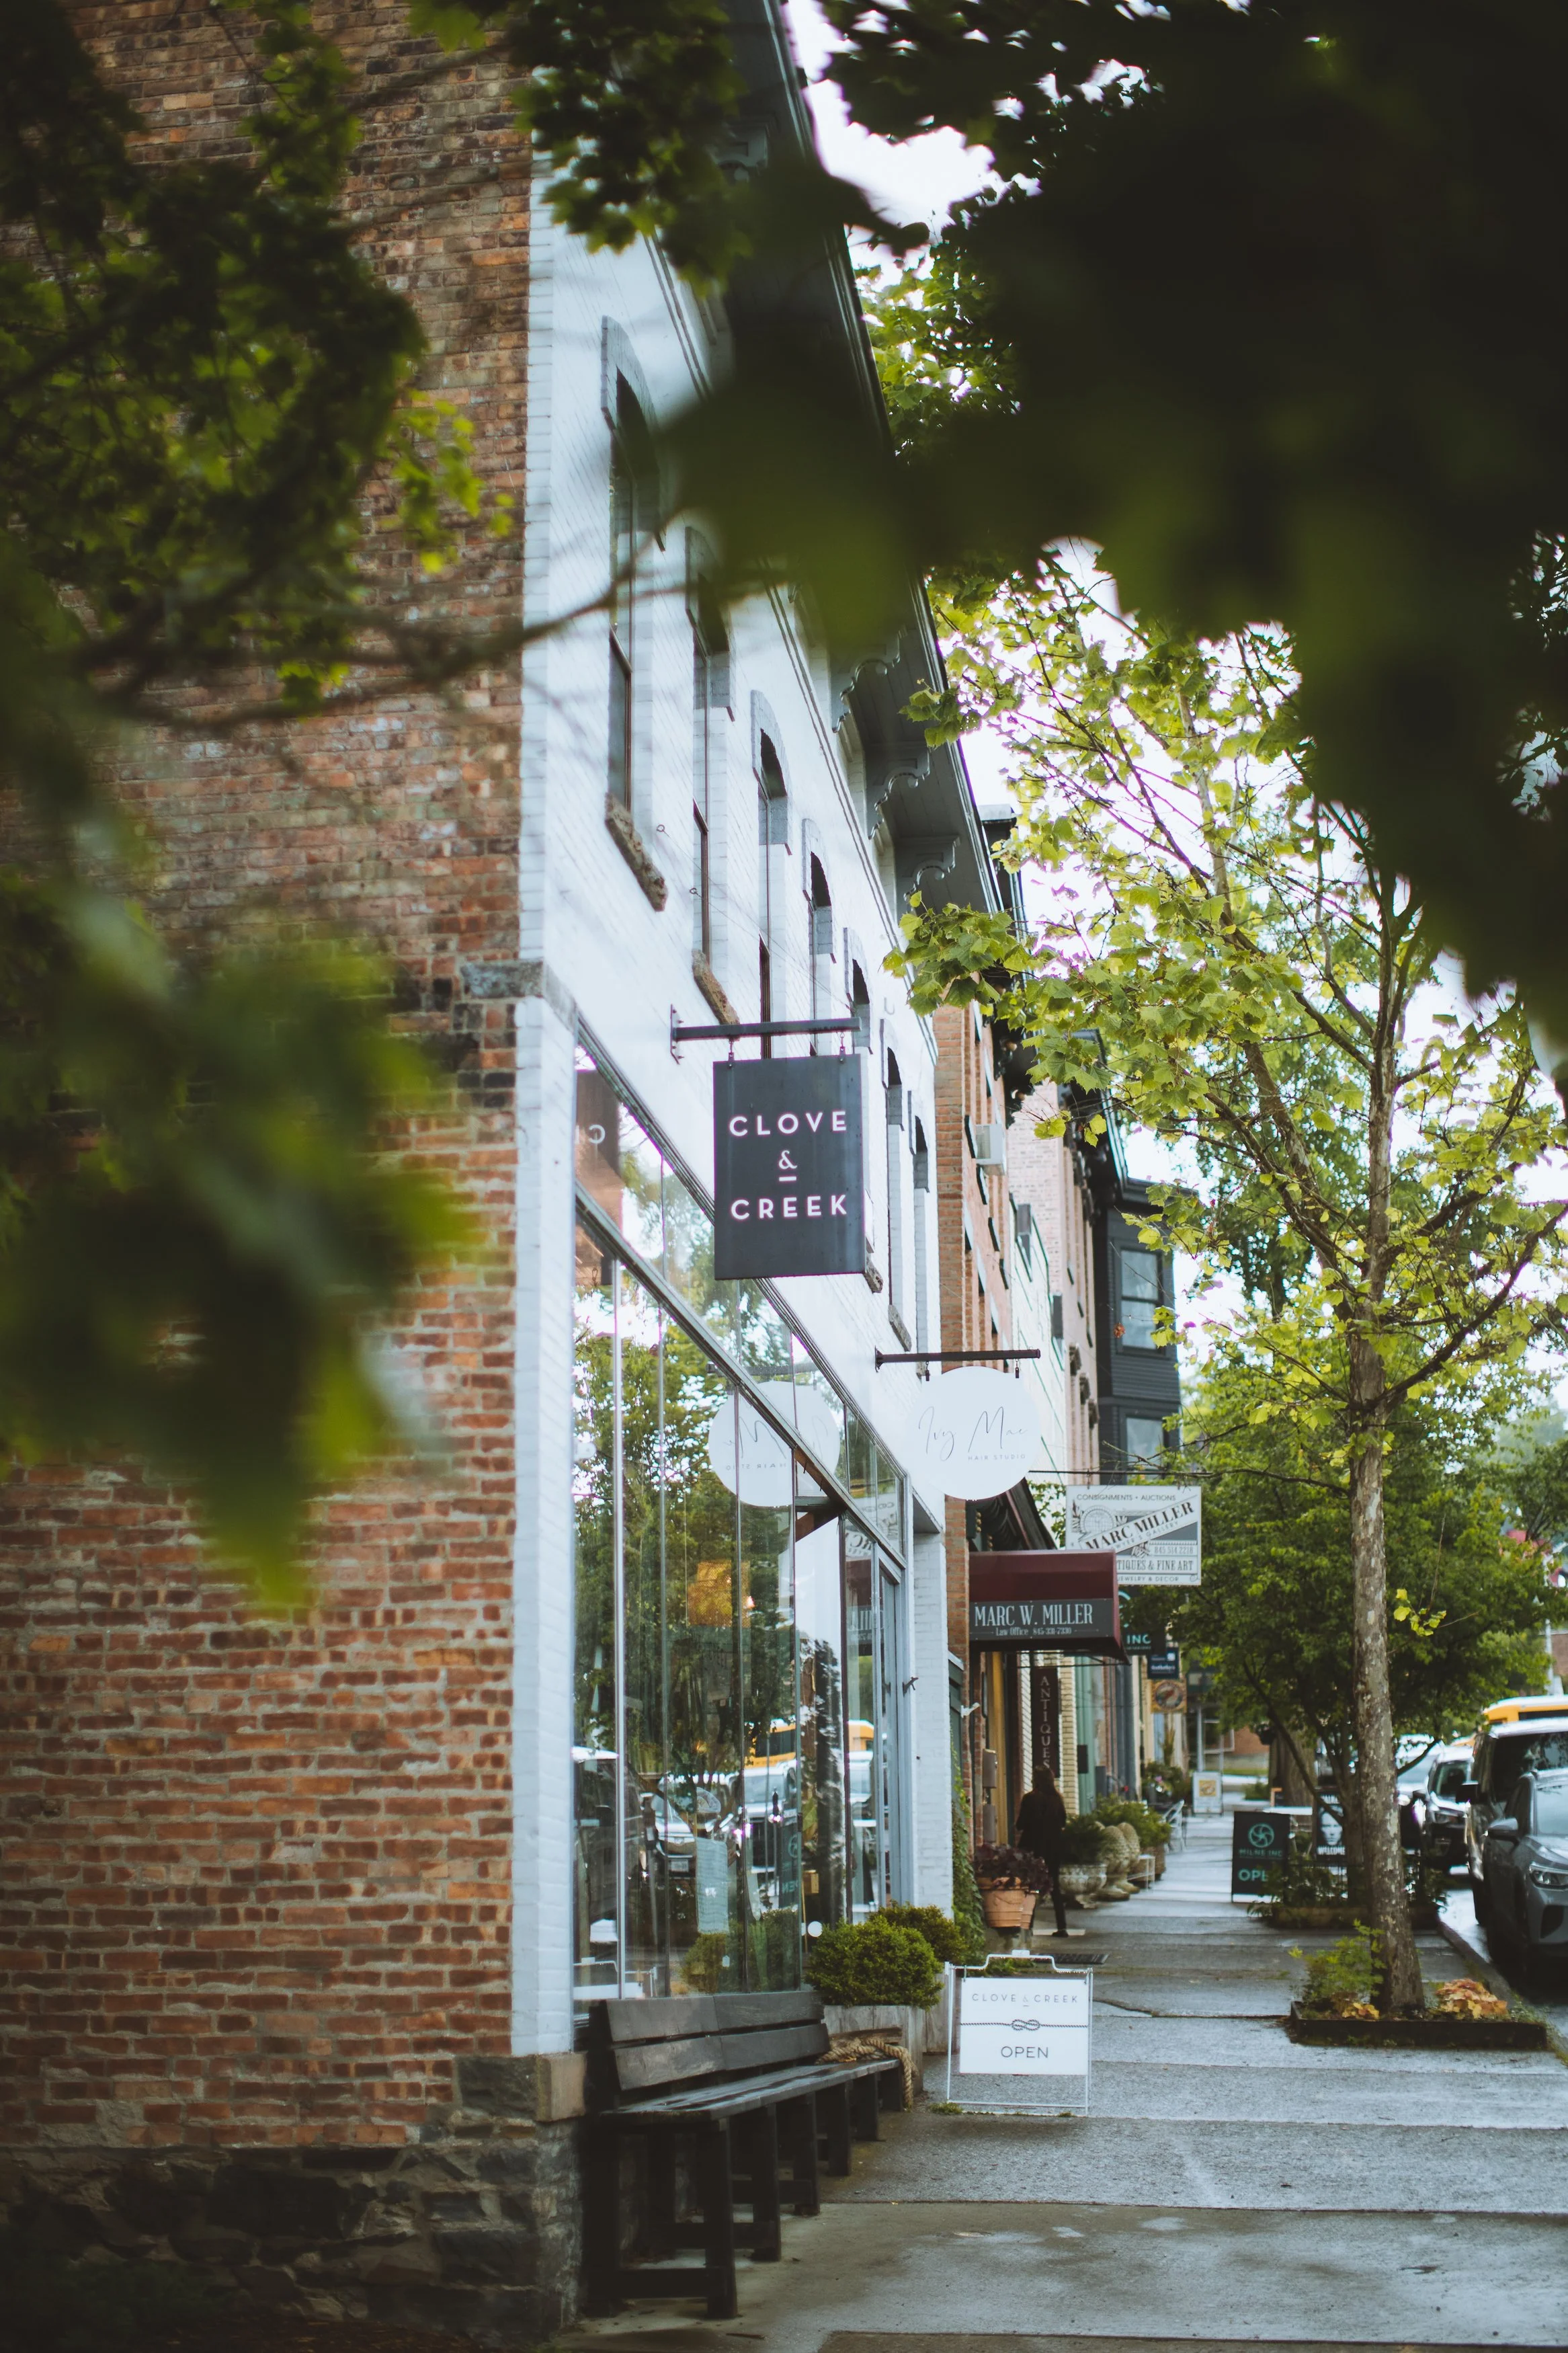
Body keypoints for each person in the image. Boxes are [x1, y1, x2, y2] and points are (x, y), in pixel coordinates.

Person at [1014, 1766, 1081, 1939]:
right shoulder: (1057, 1800)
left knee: (1030, 1887)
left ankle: (1028, 1927)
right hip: (1054, 1848)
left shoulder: (1030, 1799)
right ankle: (1062, 1927)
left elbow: (1020, 1824)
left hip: (1033, 1848)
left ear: (1035, 1780)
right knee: (1055, 1887)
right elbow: (1063, 1822)